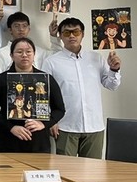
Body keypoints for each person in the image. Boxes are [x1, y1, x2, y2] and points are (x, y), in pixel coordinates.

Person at [42, 17, 122, 159]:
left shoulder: (96, 58)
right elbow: (43, 94)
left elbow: (111, 85)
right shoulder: (51, 62)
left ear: (83, 34)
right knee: (67, 169)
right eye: (67, 33)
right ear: (60, 36)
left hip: (94, 126)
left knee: (93, 170)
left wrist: (114, 69)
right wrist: (51, 120)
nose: (72, 36)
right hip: (65, 126)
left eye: (76, 32)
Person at [0, 38, 65, 153]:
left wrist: (43, 124)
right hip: (9, 139)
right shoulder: (1, 79)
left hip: (39, 141)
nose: (24, 55)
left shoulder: (46, 79)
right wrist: (11, 127)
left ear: (34, 55)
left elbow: (60, 109)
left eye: (28, 52)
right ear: (11, 55)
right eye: (19, 52)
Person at [0, 12, 62, 84]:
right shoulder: (1, 54)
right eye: (17, 26)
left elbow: (58, 57)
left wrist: (53, 36)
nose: (21, 29)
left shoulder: (39, 52)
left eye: (24, 26)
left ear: (29, 29)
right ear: (10, 30)